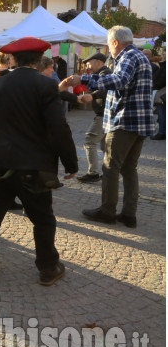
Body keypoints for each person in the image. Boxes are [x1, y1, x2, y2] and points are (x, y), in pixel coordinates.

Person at [0, 37, 78, 286]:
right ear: (39, 60)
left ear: (13, 59)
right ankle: (48, 269)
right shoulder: (45, 85)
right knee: (43, 218)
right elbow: (58, 127)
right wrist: (70, 163)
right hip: (34, 165)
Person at [61, 26, 155, 228]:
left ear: (114, 43)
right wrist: (93, 94)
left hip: (125, 121)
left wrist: (83, 78)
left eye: (108, 44)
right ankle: (129, 214)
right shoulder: (138, 56)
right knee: (129, 169)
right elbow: (121, 85)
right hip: (137, 122)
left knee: (110, 167)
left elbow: (119, 81)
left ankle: (107, 210)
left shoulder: (128, 56)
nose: (108, 49)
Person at [73, 53, 111, 183]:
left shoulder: (105, 73)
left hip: (104, 115)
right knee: (106, 145)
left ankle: (93, 173)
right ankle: (109, 172)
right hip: (105, 114)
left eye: (89, 63)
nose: (88, 66)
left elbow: (104, 88)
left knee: (90, 141)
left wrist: (92, 96)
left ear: (97, 62)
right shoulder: (100, 73)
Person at [152, 54, 166, 140]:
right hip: (162, 93)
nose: (163, 55)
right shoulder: (163, 65)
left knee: (162, 114)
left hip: (162, 94)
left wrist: (153, 85)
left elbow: (161, 80)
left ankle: (162, 132)